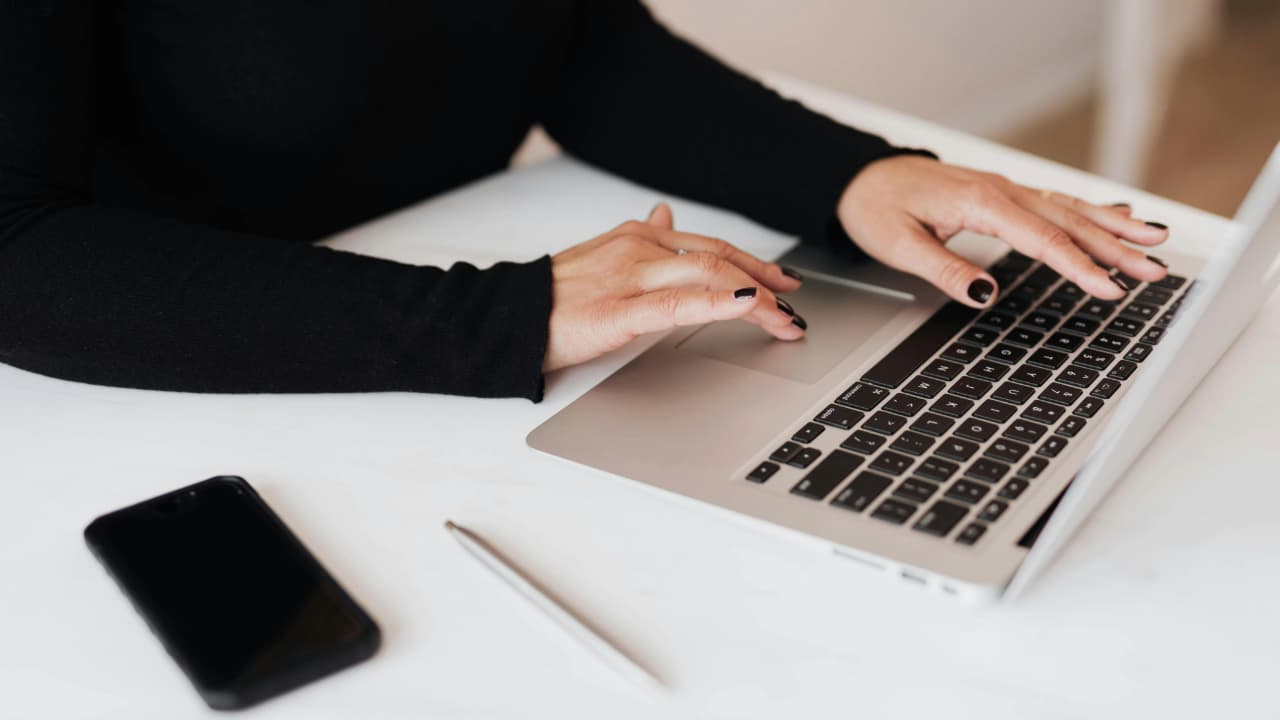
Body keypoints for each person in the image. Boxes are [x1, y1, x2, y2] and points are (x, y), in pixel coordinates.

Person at [0, 1, 1169, 401]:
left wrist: (854, 177)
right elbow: (18, 254)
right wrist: (511, 318)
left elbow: (574, 48)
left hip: (432, 332)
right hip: (164, 381)